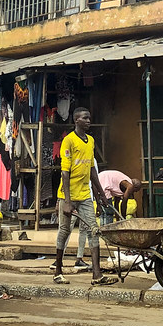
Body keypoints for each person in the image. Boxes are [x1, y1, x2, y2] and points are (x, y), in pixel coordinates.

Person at [51, 108, 117, 286]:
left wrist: (102, 195)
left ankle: (97, 275)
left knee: (93, 230)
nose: (89, 120)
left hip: (85, 194)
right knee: (64, 231)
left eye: (89, 117)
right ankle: (58, 271)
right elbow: (65, 173)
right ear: (76, 120)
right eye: (85, 118)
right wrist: (67, 201)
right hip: (68, 194)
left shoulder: (90, 141)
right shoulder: (69, 141)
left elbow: (92, 170)